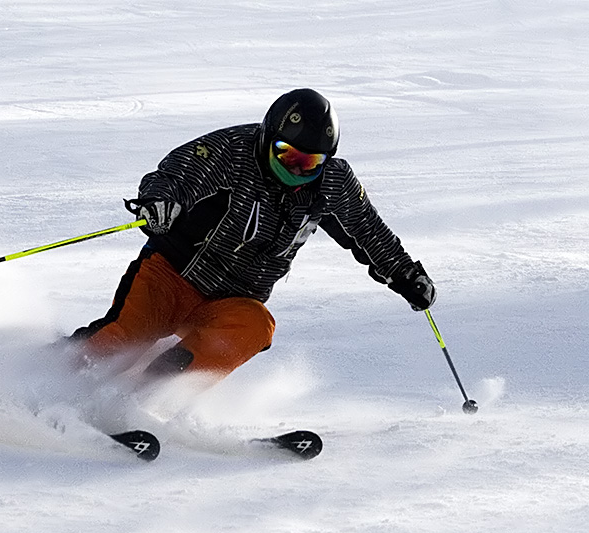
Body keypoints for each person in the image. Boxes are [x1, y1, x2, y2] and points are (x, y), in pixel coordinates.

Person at [68, 88, 435, 388]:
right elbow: (177, 174)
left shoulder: (332, 183)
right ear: (267, 138)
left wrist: (406, 275)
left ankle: (150, 394)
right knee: (126, 338)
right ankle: (55, 378)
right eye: (286, 155)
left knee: (256, 325)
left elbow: (367, 230)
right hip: (172, 276)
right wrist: (160, 202)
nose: (296, 170)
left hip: (234, 300)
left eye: (309, 164)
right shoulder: (232, 152)